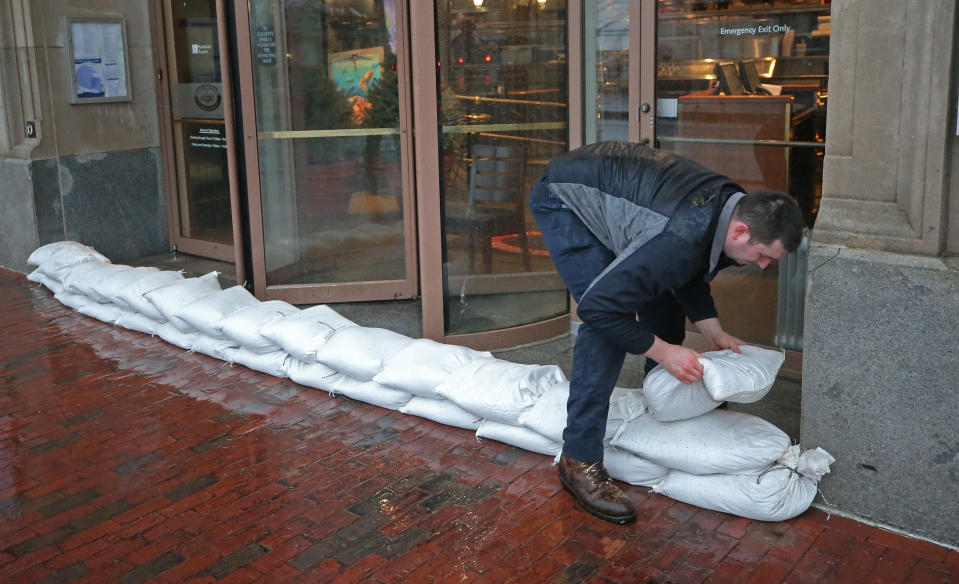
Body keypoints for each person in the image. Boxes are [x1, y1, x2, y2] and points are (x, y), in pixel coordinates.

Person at [528, 141, 804, 524]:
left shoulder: (727, 209)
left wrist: (713, 330)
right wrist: (664, 352)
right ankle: (579, 459)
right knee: (608, 320)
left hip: (630, 201)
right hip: (566, 198)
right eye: (763, 256)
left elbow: (684, 268)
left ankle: (664, 401)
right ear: (741, 229)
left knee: (658, 290)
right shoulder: (681, 233)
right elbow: (598, 307)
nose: (760, 267)